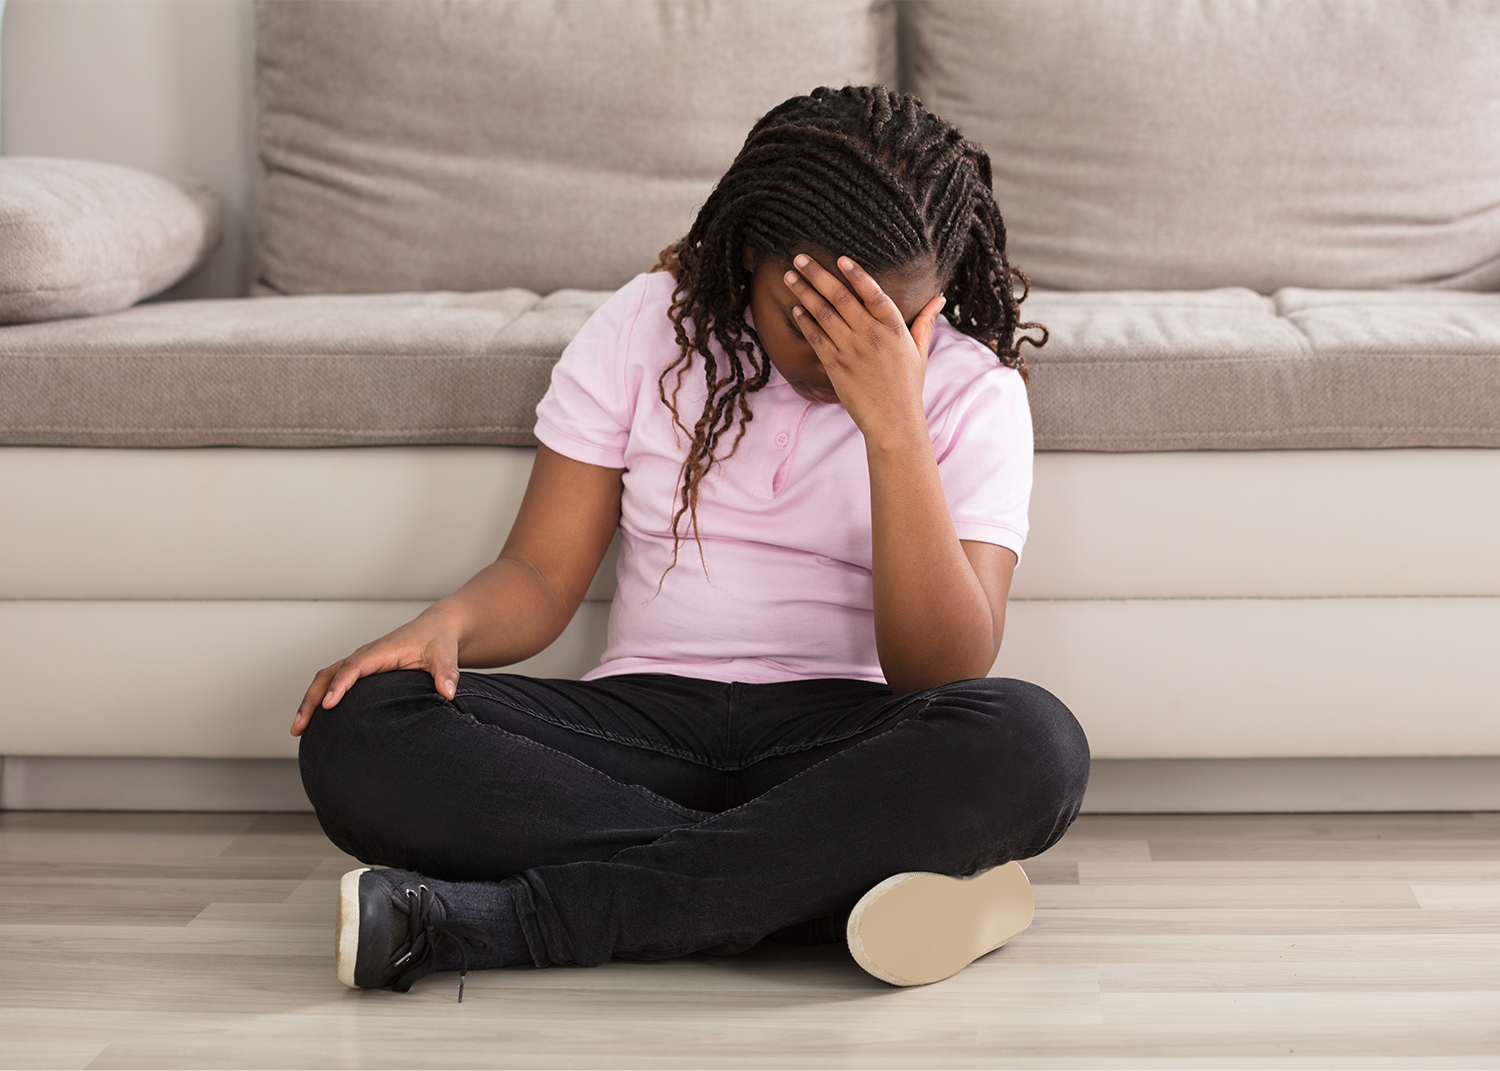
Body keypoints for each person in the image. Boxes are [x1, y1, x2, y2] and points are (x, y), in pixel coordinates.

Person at [293, 85, 1090, 1001]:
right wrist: (449, 625)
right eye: (810, 317)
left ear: (933, 301)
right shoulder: (648, 324)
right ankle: (820, 882)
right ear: (750, 251)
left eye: (885, 329)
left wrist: (895, 427)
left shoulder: (973, 388)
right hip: (642, 723)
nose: (841, 357)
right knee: (360, 725)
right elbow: (540, 574)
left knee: (1035, 742)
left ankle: (512, 920)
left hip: (841, 742)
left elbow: (940, 670)